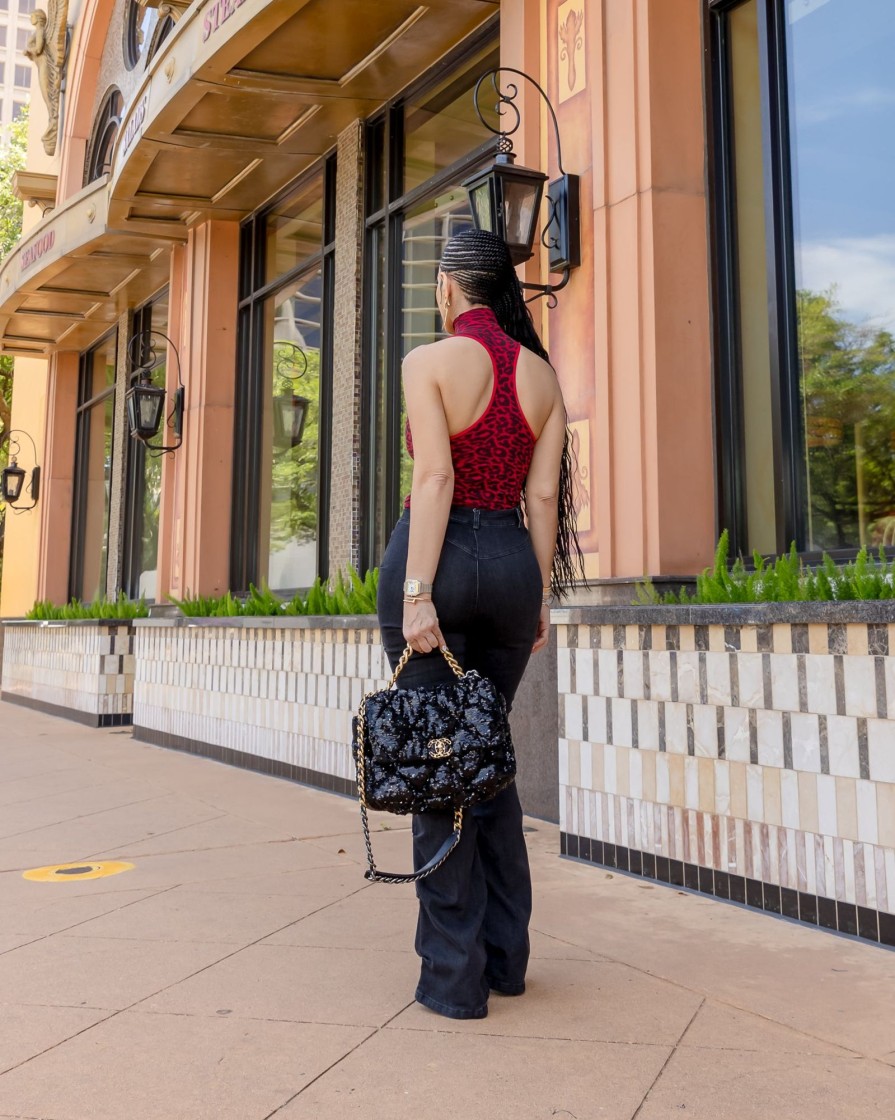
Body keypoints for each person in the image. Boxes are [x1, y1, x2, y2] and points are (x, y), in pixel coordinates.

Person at [377, 227, 583, 1021]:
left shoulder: (426, 363)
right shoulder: (541, 376)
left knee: (439, 772)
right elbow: (541, 501)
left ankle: (453, 980)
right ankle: (507, 960)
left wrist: (418, 591)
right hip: (509, 570)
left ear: (447, 286)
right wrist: (533, 598)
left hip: (437, 563)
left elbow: (433, 476)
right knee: (487, 764)